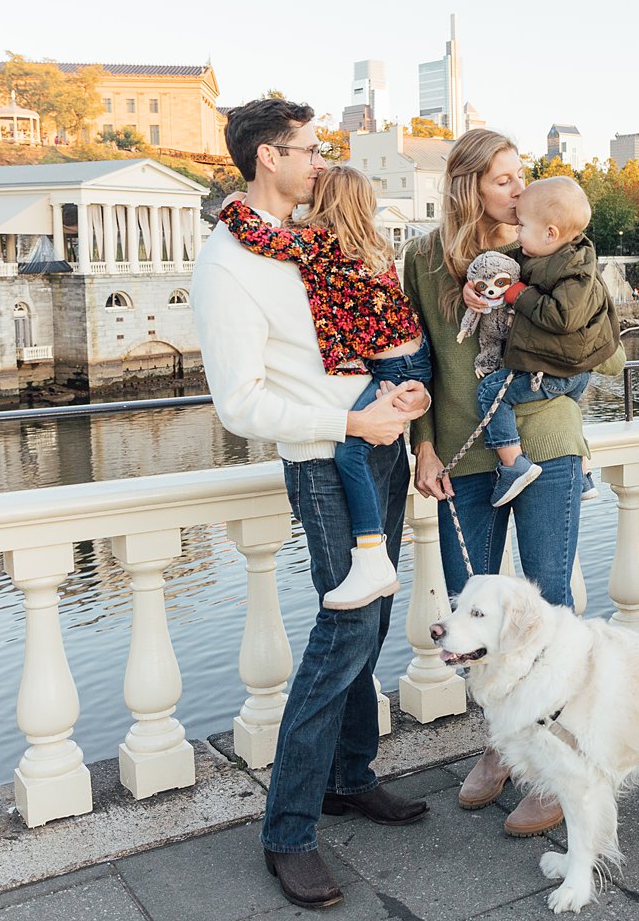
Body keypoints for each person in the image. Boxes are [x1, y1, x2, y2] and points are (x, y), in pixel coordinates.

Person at [191, 98, 430, 911]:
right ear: (266, 157)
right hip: (326, 460)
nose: (321, 162)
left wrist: (397, 400)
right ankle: (287, 832)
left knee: (373, 617)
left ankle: (348, 778)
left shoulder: (309, 243)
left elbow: (363, 338)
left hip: (379, 445)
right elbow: (240, 405)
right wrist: (347, 419)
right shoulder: (228, 263)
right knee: (346, 627)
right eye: (307, 150)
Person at [404, 129, 623, 838]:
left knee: (549, 607)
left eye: (521, 176)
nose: (518, 189)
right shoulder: (425, 258)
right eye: (503, 179)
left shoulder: (553, 253)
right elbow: (418, 363)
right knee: (476, 619)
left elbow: (600, 345)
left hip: (548, 444)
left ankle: (559, 765)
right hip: (464, 456)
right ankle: (502, 747)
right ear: (468, 185)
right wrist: (425, 446)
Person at [217, 166, 431, 610]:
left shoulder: (320, 246)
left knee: (350, 449)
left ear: (325, 203)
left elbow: (263, 237)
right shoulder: (376, 245)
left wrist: (232, 206)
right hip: (414, 357)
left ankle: (369, 554)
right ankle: (375, 558)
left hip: (391, 362)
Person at [476, 176, 619, 507]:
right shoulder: (558, 256)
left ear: (550, 233)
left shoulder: (573, 274)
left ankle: (513, 464)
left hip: (559, 372)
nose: (517, 232)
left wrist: (519, 295)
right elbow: (516, 262)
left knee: (491, 393)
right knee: (568, 410)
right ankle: (582, 470)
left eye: (523, 226)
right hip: (574, 374)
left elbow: (561, 316)